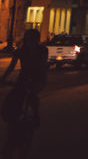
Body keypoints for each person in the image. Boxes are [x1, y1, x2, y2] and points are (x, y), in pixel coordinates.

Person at [0, 30, 47, 158]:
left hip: (36, 76)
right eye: (28, 39)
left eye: (33, 39)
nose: (30, 42)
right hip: (24, 76)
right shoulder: (20, 51)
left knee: (32, 96)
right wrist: (3, 78)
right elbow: (11, 66)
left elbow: (43, 66)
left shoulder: (42, 50)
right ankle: (13, 122)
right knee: (14, 97)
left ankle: (35, 115)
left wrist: (41, 82)